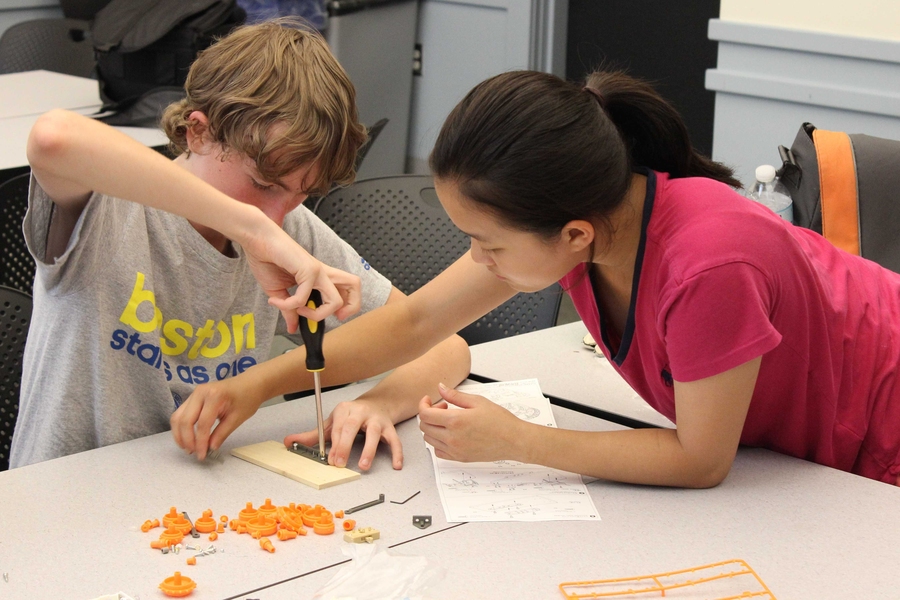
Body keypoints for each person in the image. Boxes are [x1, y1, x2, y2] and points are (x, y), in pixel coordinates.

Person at [173, 69, 900, 488]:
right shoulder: (589, 219)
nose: (475, 261)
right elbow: (417, 323)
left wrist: (517, 440)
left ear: (574, 234)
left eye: (484, 245)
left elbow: (700, 460)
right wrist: (258, 386)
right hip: (812, 451)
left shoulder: (709, 262)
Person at [10, 20, 469, 469]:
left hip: (190, 494)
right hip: (68, 493)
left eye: (302, 192)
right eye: (262, 184)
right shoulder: (110, 205)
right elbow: (53, 139)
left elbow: (446, 347)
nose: (279, 212)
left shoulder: (291, 226)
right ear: (198, 131)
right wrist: (253, 229)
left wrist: (380, 402)